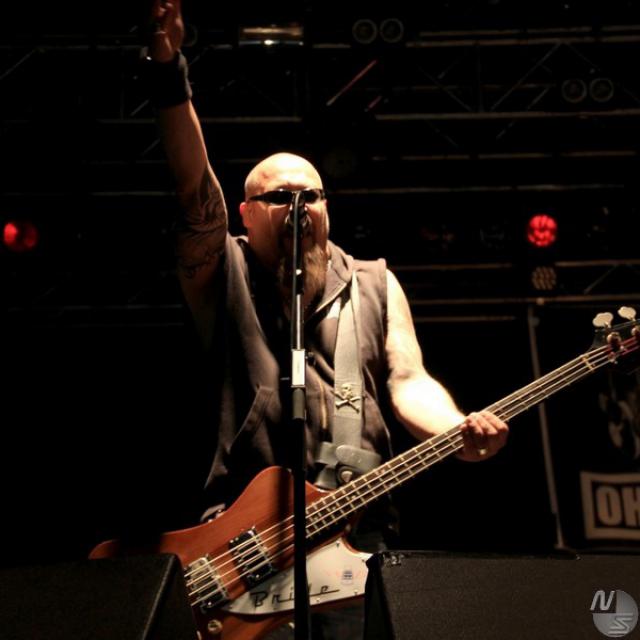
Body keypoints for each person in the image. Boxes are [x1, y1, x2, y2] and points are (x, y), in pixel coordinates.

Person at [143, 0, 509, 637]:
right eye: (280, 197)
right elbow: (193, 190)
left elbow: (407, 380)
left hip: (357, 541)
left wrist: (456, 429)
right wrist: (169, 70)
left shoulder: (373, 280)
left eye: (311, 195)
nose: (299, 206)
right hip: (247, 542)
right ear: (247, 212)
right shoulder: (223, 270)